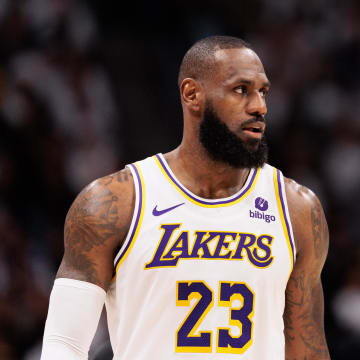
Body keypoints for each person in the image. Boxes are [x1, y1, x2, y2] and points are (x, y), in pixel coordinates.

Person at [41, 35, 330, 359]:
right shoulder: (113, 203)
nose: (259, 106)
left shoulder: (297, 209)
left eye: (263, 92)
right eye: (241, 90)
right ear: (192, 94)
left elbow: (308, 351)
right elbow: (64, 345)